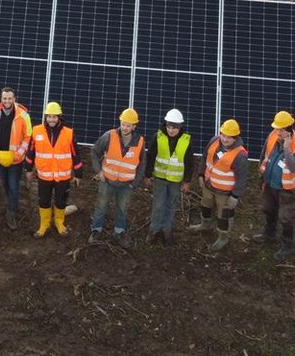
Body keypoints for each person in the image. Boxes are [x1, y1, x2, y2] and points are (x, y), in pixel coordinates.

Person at [87, 109, 144, 247]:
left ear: (134, 126)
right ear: (120, 122)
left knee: (122, 209)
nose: (125, 127)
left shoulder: (140, 141)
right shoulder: (109, 136)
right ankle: (96, 230)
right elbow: (94, 151)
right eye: (123, 124)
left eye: (129, 125)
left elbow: (142, 164)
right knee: (101, 206)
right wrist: (99, 171)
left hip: (126, 184)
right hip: (107, 180)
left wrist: (135, 183)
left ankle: (119, 232)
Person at [189, 119, 247, 251]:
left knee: (224, 215)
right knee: (205, 206)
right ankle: (205, 225)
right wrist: (201, 174)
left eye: (229, 137)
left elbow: (242, 177)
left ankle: (223, 238)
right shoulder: (214, 141)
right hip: (209, 186)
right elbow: (205, 158)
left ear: (235, 137)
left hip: (225, 192)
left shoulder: (240, 155)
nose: (225, 139)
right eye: (223, 135)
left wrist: (235, 196)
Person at [0, 87, 32, 229]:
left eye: (9, 98)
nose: (7, 101)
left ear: (14, 99)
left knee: (14, 186)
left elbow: (28, 136)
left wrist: (19, 153)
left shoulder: (23, 115)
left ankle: (11, 212)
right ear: (1, 99)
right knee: (5, 183)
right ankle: (10, 204)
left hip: (15, 159)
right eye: (4, 98)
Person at [260, 110, 295, 262]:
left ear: (288, 129)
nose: (277, 132)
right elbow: (264, 154)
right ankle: (269, 233)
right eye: (276, 128)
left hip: (287, 189)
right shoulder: (272, 135)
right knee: (268, 209)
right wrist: (262, 176)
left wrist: (287, 149)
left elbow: (293, 167)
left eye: (280, 129)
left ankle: (288, 245)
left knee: (286, 217)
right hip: (270, 183)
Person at [29, 101, 79, 238]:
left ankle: (59, 223)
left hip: (62, 177)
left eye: (54, 116)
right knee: (43, 201)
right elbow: (31, 151)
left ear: (59, 117)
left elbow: (75, 154)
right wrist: (28, 168)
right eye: (49, 116)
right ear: (45, 117)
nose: (51, 119)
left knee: (61, 201)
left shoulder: (69, 133)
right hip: (44, 176)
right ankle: (44, 225)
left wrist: (78, 174)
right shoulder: (36, 130)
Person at [143, 109, 192, 244]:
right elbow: (151, 156)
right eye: (169, 126)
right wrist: (147, 175)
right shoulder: (158, 137)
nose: (171, 130)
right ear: (165, 124)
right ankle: (153, 231)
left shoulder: (186, 140)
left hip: (175, 181)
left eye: (174, 128)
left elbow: (189, 162)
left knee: (171, 205)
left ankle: (166, 231)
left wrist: (187, 181)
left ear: (180, 127)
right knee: (158, 205)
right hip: (159, 178)